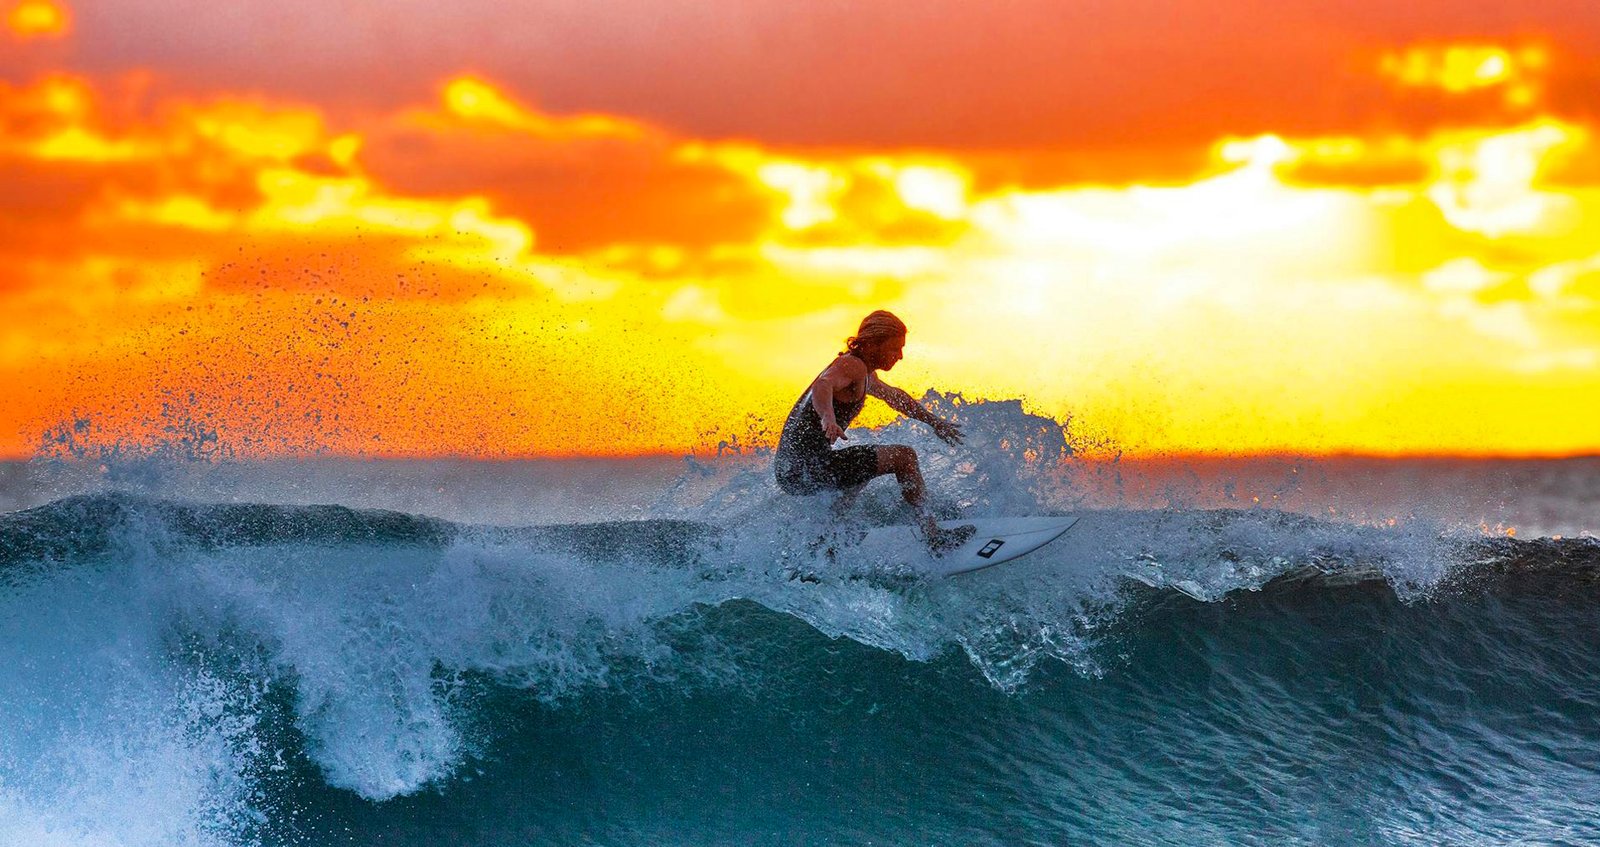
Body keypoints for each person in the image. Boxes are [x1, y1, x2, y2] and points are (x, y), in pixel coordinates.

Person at [774, 310, 976, 552]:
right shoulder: (851, 365)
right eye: (894, 349)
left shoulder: (865, 373)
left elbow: (895, 398)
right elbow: (823, 384)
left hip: (792, 471)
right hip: (806, 468)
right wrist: (828, 417)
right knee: (904, 457)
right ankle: (934, 537)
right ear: (871, 344)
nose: (900, 356)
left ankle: (825, 542)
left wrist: (934, 422)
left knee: (866, 467)